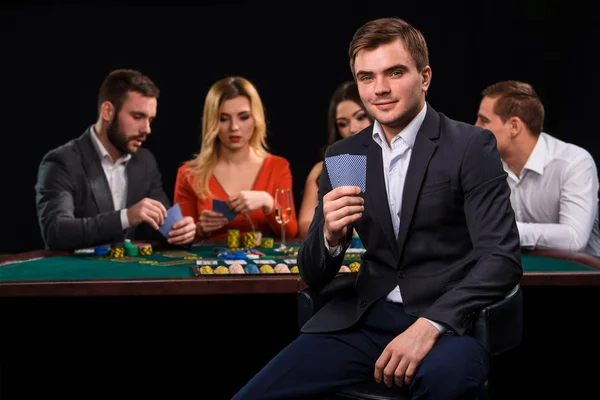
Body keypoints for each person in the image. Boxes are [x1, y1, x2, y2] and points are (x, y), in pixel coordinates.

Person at [233, 17, 522, 400]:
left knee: (447, 382)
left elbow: (501, 259)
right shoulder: (346, 153)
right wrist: (330, 237)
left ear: (425, 77)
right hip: (366, 320)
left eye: (394, 72)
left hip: (450, 324)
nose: (379, 89)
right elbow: (312, 272)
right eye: (366, 77)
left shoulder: (470, 146)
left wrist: (429, 325)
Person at [35, 69, 197, 250]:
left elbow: (161, 224)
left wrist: (180, 231)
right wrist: (126, 217)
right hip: (80, 275)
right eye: (137, 117)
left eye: (150, 119)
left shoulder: (145, 161)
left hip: (128, 274)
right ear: (107, 111)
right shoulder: (61, 162)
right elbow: (56, 232)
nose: (147, 129)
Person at [475, 80, 600, 256]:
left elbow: (574, 238)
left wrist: (507, 231)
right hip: (517, 277)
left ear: (514, 126)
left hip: (582, 278)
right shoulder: (484, 167)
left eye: (484, 120)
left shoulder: (574, 163)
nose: (475, 128)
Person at [174, 76, 298, 241]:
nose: (234, 127)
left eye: (243, 117)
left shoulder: (278, 166)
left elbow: (290, 232)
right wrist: (199, 229)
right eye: (223, 119)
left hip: (261, 265)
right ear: (212, 122)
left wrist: (267, 202)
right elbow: (178, 237)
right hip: (206, 265)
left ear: (256, 118)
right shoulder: (188, 173)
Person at [297, 81, 373, 238]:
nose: (352, 129)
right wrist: (333, 228)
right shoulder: (327, 167)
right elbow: (305, 225)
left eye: (361, 117)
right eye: (342, 124)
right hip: (340, 253)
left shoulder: (397, 160)